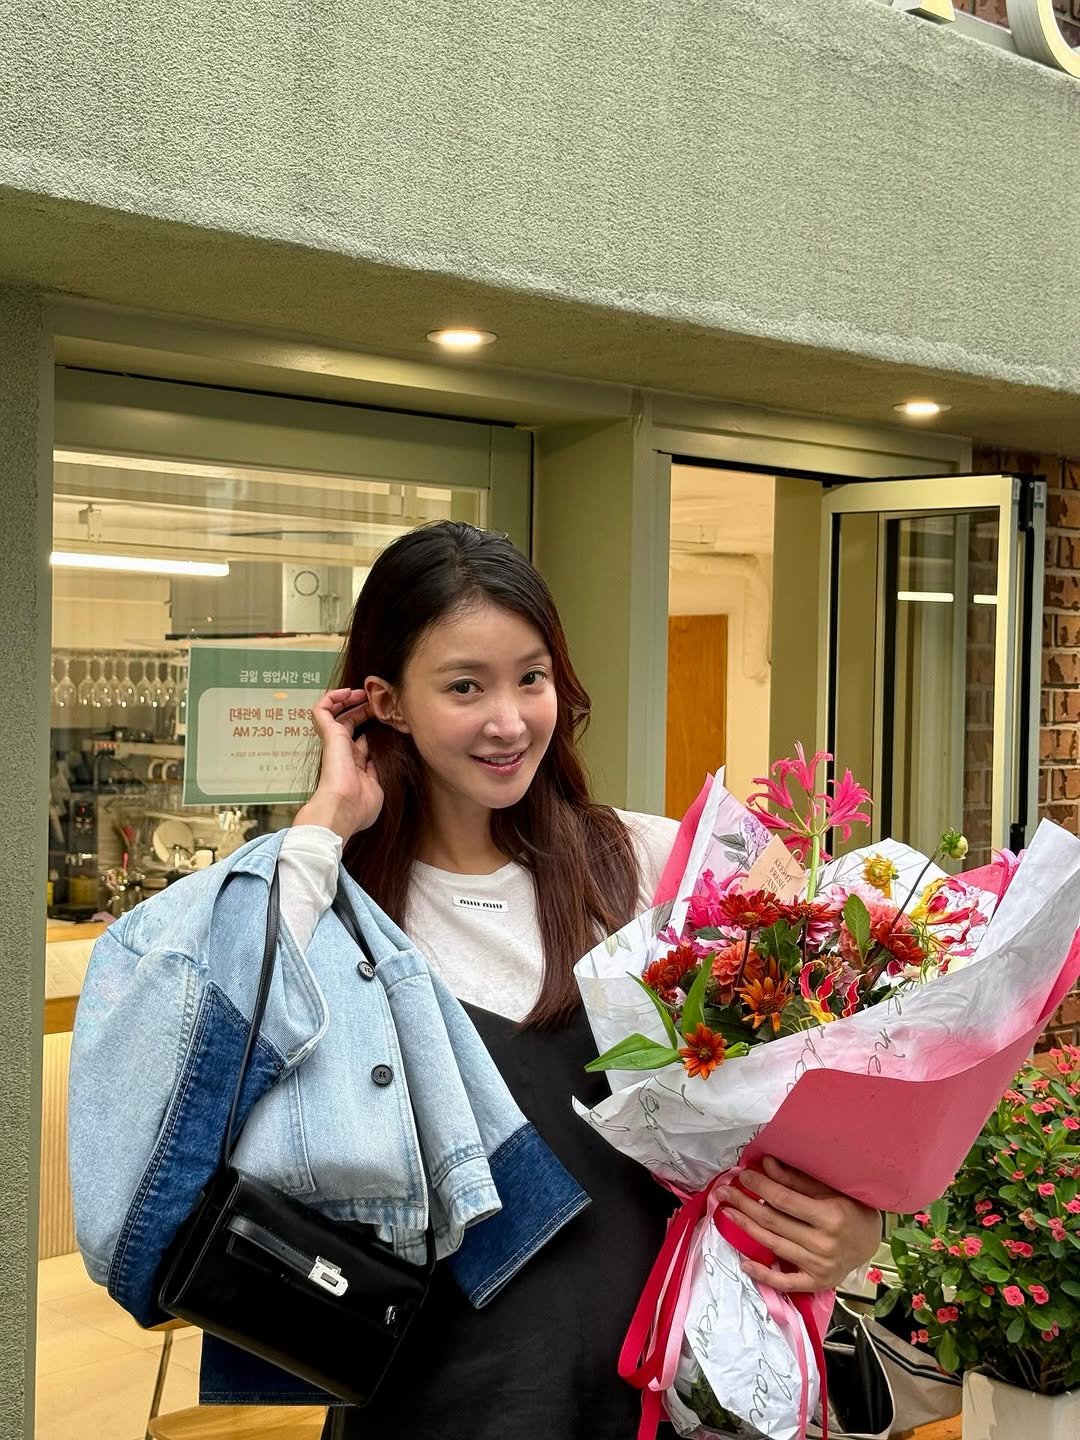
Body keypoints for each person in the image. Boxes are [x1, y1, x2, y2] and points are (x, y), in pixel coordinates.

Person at [286, 521, 882, 1440]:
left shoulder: (653, 865)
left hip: (659, 1390)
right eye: (464, 686)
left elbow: (841, 1055)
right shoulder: (331, 904)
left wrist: (856, 1224)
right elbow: (232, 1056)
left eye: (531, 678)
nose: (509, 720)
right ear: (386, 702)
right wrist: (326, 822)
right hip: (433, 1404)